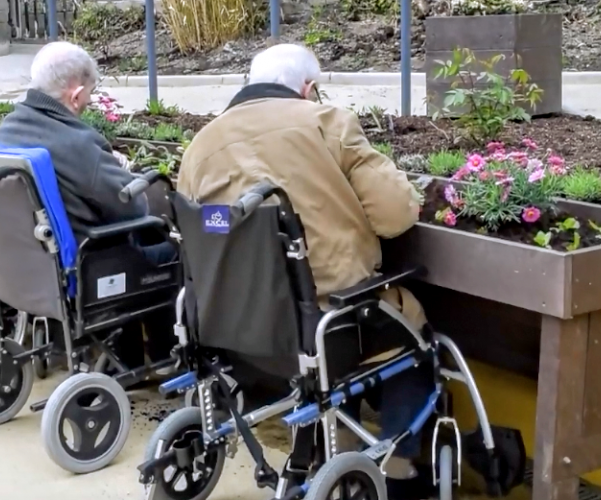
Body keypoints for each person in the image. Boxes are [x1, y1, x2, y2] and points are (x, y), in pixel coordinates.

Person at [177, 43, 431, 484]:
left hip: (234, 324)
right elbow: (396, 215)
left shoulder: (201, 146)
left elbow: (209, 224)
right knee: (410, 333)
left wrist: (247, 221)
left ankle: (336, 452)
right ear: (308, 88)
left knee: (328, 350)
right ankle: (401, 466)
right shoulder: (324, 122)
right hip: (329, 320)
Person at [0, 41, 175, 367]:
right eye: (89, 93)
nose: (90, 101)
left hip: (27, 266)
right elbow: (134, 208)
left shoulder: (8, 129)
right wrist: (118, 170)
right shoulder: (78, 142)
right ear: (75, 96)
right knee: (172, 248)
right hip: (89, 263)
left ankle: (131, 356)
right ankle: (166, 360)